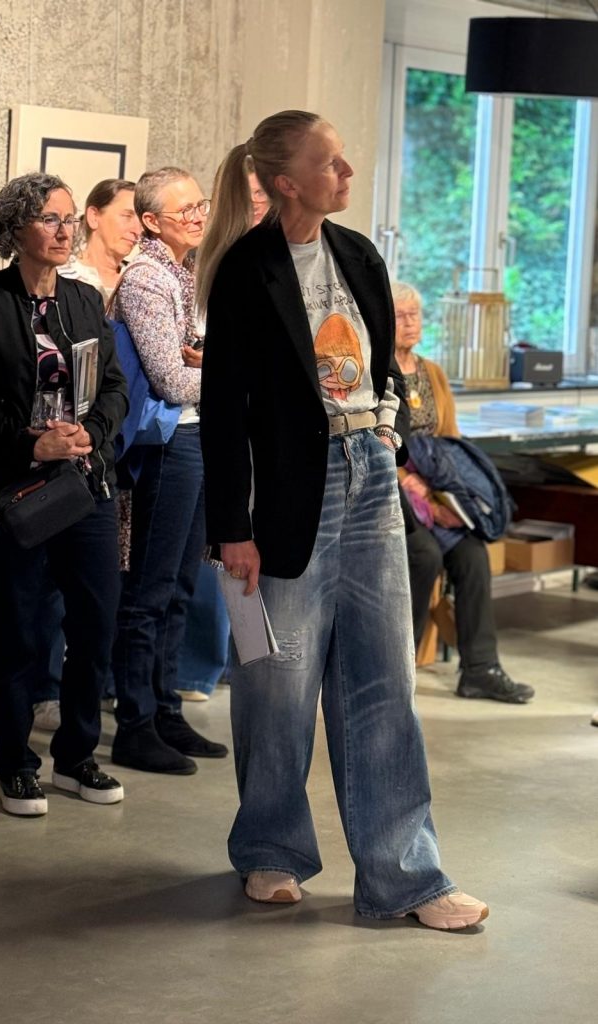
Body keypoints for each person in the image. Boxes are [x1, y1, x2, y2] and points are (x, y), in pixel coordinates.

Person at [198, 110, 487, 930]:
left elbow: (385, 367)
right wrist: (232, 528)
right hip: (289, 490)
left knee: (386, 679)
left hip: (369, 477)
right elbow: (223, 412)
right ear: (286, 182)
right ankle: (271, 850)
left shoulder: (358, 253)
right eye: (331, 163)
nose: (348, 172)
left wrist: (386, 433)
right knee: (278, 681)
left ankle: (406, 877)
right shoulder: (246, 270)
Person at [0, 172, 128, 816]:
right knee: (18, 632)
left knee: (96, 625)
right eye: (49, 218)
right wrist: (33, 443)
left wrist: (89, 435)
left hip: (86, 482)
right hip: (17, 489)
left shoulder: (84, 299)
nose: (63, 230)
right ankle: (15, 764)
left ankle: (77, 758)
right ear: (15, 229)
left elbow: (114, 387)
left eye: (68, 218)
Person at [110, 167, 228, 774]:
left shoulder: (189, 272)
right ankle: (134, 725)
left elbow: (198, 364)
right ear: (152, 221)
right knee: (150, 589)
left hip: (200, 436)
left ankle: (166, 710)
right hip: (168, 443)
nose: (199, 217)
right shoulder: (147, 279)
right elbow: (172, 380)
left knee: (182, 585)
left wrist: (210, 364)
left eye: (200, 205)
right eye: (185, 211)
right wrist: (228, 373)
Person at [29, 179, 142, 733]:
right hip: (40, 461)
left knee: (103, 591)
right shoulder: (61, 284)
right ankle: (45, 691)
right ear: (96, 217)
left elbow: (114, 382)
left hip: (105, 452)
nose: (136, 226)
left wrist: (94, 433)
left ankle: (91, 711)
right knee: (47, 591)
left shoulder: (119, 286)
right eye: (126, 214)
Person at [392, 280, 535, 705]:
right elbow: (378, 443)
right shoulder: (377, 370)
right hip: (394, 491)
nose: (410, 322)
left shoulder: (433, 373)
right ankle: (397, 671)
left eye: (415, 314)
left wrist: (451, 497)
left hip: (437, 491)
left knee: (472, 554)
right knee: (424, 555)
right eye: (400, 315)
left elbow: (450, 442)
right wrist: (409, 482)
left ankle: (480, 670)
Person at [175, 147, 271, 703]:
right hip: (214, 426)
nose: (262, 205)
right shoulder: (211, 261)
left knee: (253, 551)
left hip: (269, 428)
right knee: (224, 548)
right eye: (253, 196)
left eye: (267, 195)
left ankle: (245, 660)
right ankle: (203, 670)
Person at [59, 178, 141, 301]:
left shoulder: (140, 281)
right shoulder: (60, 277)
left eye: (141, 222)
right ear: (94, 217)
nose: (138, 231)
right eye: (127, 216)